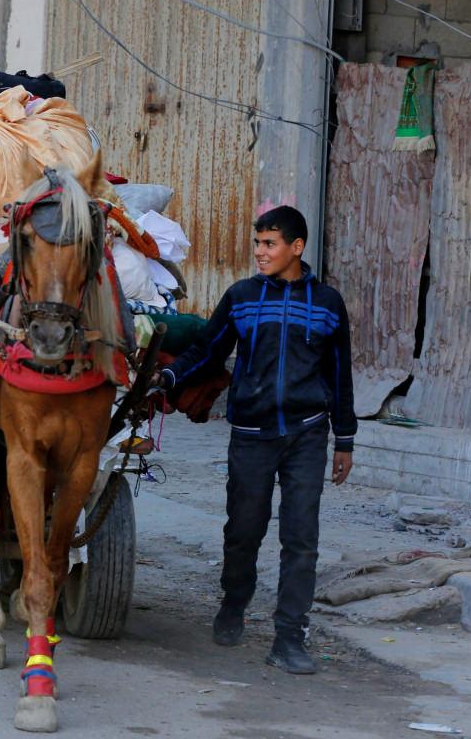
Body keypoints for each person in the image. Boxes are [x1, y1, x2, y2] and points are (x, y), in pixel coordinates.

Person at [160, 206, 355, 675]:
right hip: (251, 435)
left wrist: (344, 439)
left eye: (269, 244)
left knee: (301, 537)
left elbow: (340, 372)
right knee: (244, 530)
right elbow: (208, 349)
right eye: (258, 243)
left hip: (308, 434)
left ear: (297, 247)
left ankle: (290, 636)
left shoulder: (328, 304)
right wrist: (168, 375)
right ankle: (234, 603)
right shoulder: (242, 297)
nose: (260, 252)